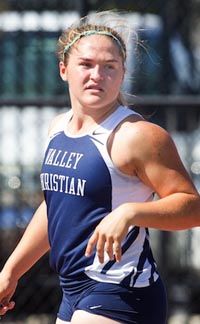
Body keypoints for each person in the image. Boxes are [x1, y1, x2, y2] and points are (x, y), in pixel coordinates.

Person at [0, 10, 200, 324]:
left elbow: (192, 208)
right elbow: (56, 207)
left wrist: (129, 212)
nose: (97, 75)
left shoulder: (137, 135)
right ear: (64, 69)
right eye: (87, 65)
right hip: (73, 290)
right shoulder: (58, 128)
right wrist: (11, 272)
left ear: (122, 74)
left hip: (121, 290)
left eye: (110, 67)